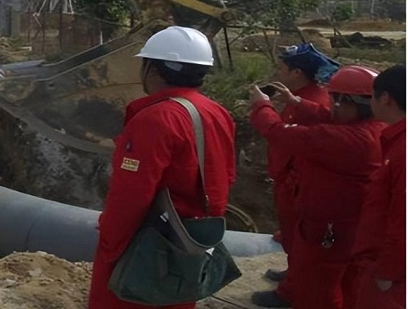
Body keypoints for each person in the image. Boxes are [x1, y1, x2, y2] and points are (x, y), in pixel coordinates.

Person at [88, 26, 236, 309]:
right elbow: (226, 175)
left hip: (151, 245)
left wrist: (110, 243)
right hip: (191, 242)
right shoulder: (217, 112)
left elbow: (131, 196)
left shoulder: (155, 119)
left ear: (153, 71)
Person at [250, 66, 386, 309]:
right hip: (353, 225)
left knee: (316, 289)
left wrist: (262, 106)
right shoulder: (374, 129)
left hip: (327, 228)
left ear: (345, 101)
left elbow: (278, 132)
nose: (329, 103)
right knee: (348, 284)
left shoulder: (345, 140)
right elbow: (329, 116)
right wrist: (298, 102)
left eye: (333, 98)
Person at [251, 43, 338, 308]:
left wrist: (262, 108)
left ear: (297, 72)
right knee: (292, 238)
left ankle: (289, 293)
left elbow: (284, 136)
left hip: (298, 184)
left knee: (302, 243)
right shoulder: (301, 97)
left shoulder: (315, 102)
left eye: (282, 68)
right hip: (289, 182)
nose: (278, 72)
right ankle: (294, 273)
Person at [349, 65, 405, 309]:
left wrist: (388, 272)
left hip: (391, 274)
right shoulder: (393, 139)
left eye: (372, 95)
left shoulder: (402, 151)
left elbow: (402, 219)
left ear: (385, 98)